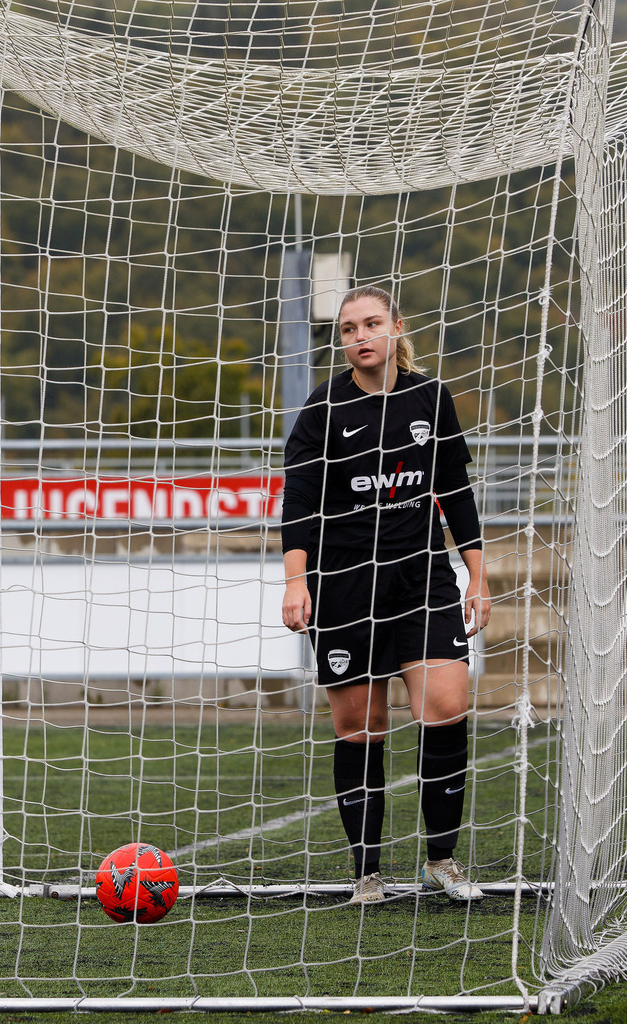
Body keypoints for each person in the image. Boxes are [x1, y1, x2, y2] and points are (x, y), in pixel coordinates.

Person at [280, 285, 491, 906]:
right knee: (360, 728)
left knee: (448, 704)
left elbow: (455, 489)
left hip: (422, 575)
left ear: (397, 327)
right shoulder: (322, 411)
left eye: (372, 323)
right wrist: (297, 581)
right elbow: (298, 505)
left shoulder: (431, 397)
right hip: (344, 584)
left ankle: (441, 860)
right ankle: (366, 873)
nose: (361, 336)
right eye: (349, 329)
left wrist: (476, 575)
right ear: (341, 340)